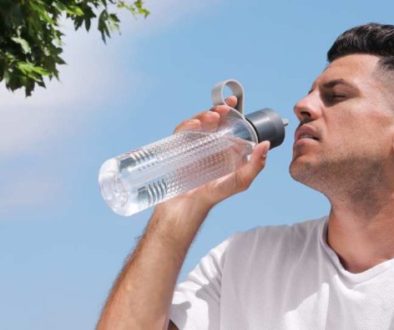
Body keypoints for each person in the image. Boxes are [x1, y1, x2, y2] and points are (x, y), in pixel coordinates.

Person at [97, 22, 394, 329]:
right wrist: (182, 205)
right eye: (310, 94)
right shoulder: (247, 259)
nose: (302, 106)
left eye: (337, 95)